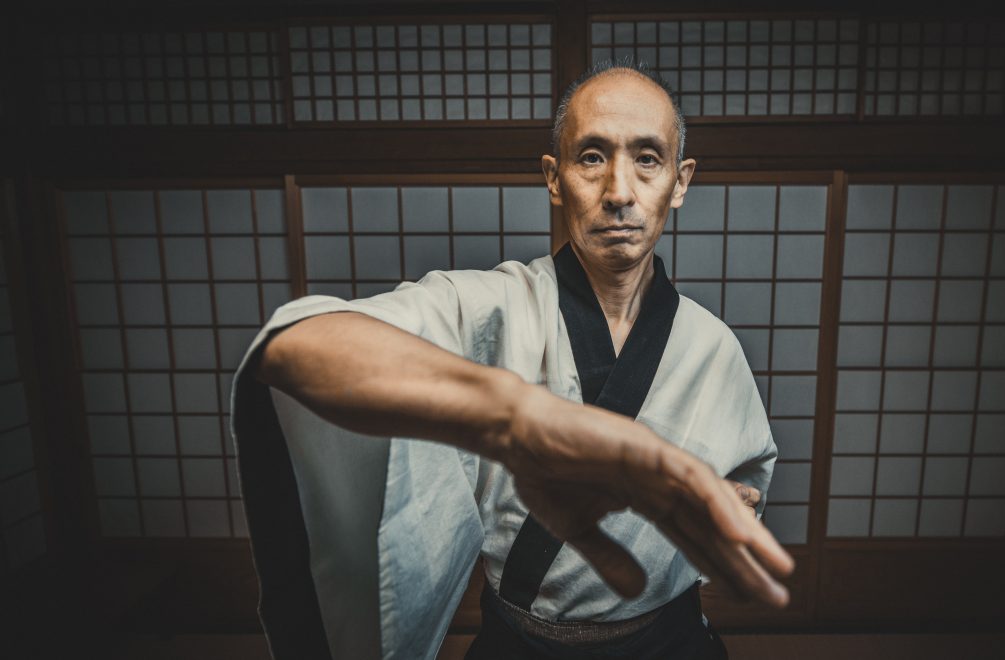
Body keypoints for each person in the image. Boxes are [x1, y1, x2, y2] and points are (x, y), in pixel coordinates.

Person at [231, 61, 794, 660]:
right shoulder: (488, 306)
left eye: (648, 159)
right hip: (523, 643)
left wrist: (726, 507)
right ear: (554, 177)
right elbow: (297, 346)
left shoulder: (712, 344)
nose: (620, 192)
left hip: (670, 641)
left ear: (680, 183)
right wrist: (512, 414)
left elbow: (744, 483)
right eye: (592, 156)